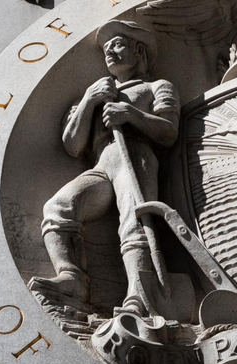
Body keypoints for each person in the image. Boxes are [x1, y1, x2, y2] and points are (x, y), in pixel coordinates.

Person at [33, 20, 179, 317]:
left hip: (135, 155)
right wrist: (89, 100)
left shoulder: (157, 87)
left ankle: (139, 295)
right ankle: (72, 278)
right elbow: (73, 145)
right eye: (106, 48)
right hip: (103, 161)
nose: (109, 52)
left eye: (118, 44)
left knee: (135, 220)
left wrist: (132, 115)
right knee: (58, 207)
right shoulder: (96, 93)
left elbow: (169, 132)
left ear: (139, 51)